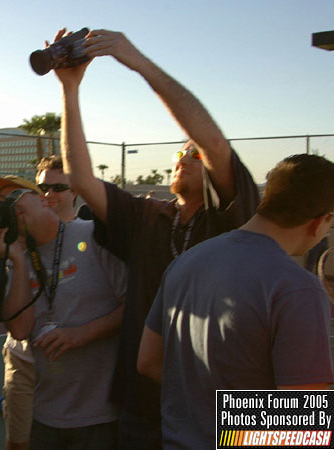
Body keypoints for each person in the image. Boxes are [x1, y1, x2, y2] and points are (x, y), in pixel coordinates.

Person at [54, 28, 260, 448]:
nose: (185, 156)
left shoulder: (229, 219)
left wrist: (137, 61)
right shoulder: (149, 217)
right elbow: (80, 180)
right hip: (142, 407)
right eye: (179, 153)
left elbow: (215, 143)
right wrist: (70, 89)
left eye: (194, 154)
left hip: (216, 409)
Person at [138, 154, 334, 449]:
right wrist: (227, 426)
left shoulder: (185, 263)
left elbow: (148, 362)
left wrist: (205, 410)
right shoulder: (297, 288)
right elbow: (303, 426)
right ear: (320, 221)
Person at [0, 175, 127, 450]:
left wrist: (82, 334)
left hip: (100, 415)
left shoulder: (92, 234)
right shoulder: (20, 260)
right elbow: (21, 330)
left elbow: (136, 303)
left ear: (42, 199)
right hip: (46, 416)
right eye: (0, 205)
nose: (8, 208)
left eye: (14, 197)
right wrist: (17, 262)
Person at [1, 156, 79, 450]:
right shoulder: (20, 237)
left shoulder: (91, 237)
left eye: (59, 187)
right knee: (18, 442)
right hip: (23, 360)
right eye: (43, 187)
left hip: (70, 368)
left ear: (75, 192)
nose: (49, 195)